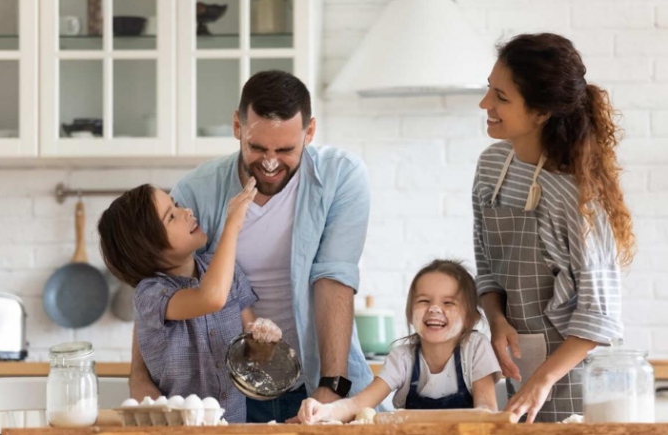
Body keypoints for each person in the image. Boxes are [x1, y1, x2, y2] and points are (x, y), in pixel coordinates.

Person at [128, 70, 373, 423]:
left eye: (286, 149)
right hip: (227, 395)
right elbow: (157, 283)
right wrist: (139, 377)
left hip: (318, 385)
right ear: (237, 127)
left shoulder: (341, 178)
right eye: (258, 147)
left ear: (310, 132)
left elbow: (333, 279)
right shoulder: (196, 191)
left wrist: (330, 388)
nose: (270, 163)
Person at [473, 33, 636, 423]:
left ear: (541, 113)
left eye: (501, 96)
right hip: (519, 368)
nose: (485, 104)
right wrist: (496, 320)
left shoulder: (574, 195)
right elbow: (487, 266)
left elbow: (599, 314)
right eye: (489, 90)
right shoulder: (491, 165)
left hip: (578, 382)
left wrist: (542, 381)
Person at [97, 179, 283, 423]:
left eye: (176, 205)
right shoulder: (151, 295)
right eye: (171, 217)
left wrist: (264, 339)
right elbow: (210, 298)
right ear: (147, 247)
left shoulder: (229, 273)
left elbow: (253, 357)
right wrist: (233, 225)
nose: (187, 212)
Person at [298, 260, 502, 424]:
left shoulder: (475, 348)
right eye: (424, 301)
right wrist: (324, 411)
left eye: (448, 303)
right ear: (409, 311)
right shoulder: (403, 357)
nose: (434, 309)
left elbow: (486, 411)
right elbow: (358, 404)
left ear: (471, 318)